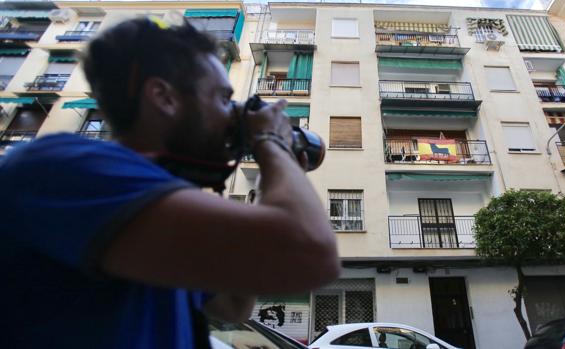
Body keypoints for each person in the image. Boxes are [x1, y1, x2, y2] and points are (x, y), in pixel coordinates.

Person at [0, 17, 340, 348]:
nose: (232, 115)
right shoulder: (63, 169)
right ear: (163, 96)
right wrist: (270, 140)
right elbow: (310, 256)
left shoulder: (155, 204)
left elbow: (236, 305)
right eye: (223, 98)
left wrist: (271, 173)